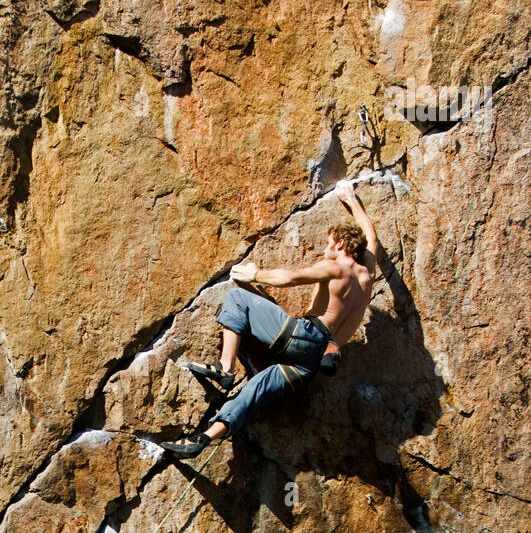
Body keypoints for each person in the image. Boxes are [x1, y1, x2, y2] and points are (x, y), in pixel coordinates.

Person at [160, 183, 378, 458]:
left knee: (238, 299)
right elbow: (371, 236)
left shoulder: (337, 267)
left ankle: (225, 367)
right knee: (255, 389)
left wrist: (255, 275)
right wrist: (351, 199)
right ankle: (202, 439)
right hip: (313, 361)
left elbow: (290, 278)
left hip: (305, 335)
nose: (325, 248)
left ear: (341, 244)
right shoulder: (366, 273)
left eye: (328, 243)